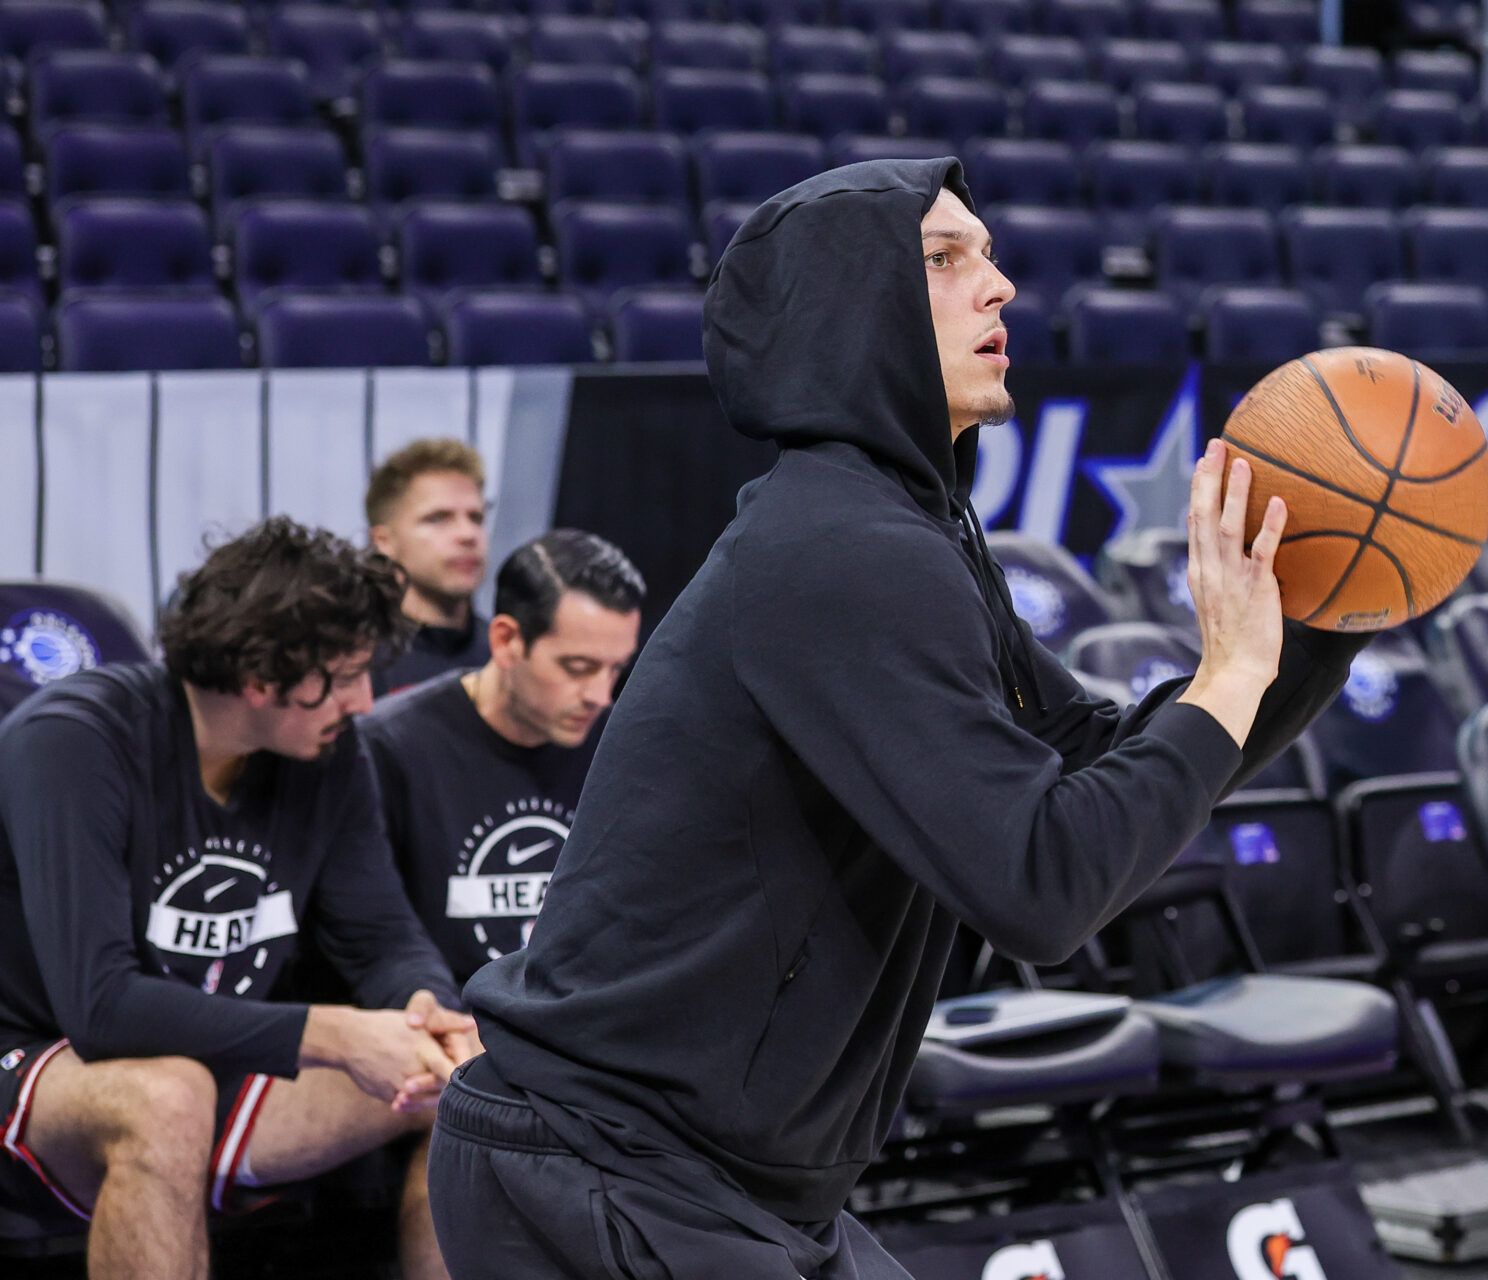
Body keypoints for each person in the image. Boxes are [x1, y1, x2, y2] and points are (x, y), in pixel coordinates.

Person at [428, 158, 1368, 1279]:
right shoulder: (839, 550)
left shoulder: (907, 534)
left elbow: (1092, 764)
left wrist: (1313, 628)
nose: (1001, 284)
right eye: (945, 258)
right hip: (602, 1168)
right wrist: (1229, 672)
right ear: (849, 311)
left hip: (712, 1175)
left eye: (987, 250)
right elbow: (1043, 883)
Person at [0, 518, 481, 1280]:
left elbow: (381, 935)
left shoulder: (326, 751)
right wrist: (338, 1034)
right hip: (38, 1047)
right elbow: (100, 1009)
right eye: (344, 674)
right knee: (166, 1097)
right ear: (262, 677)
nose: (364, 700)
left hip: (208, 1052)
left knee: (467, 1077)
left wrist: (427, 1012)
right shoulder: (73, 742)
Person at [360, 530, 646, 985]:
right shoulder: (388, 746)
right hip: (445, 1028)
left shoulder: (618, 742)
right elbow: (372, 938)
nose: (599, 695)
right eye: (577, 668)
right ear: (507, 640)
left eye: (616, 669)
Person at [366, 438, 491, 696]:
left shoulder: (510, 656)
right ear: (384, 541)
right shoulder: (355, 664)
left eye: (476, 517)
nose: (468, 534)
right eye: (438, 518)